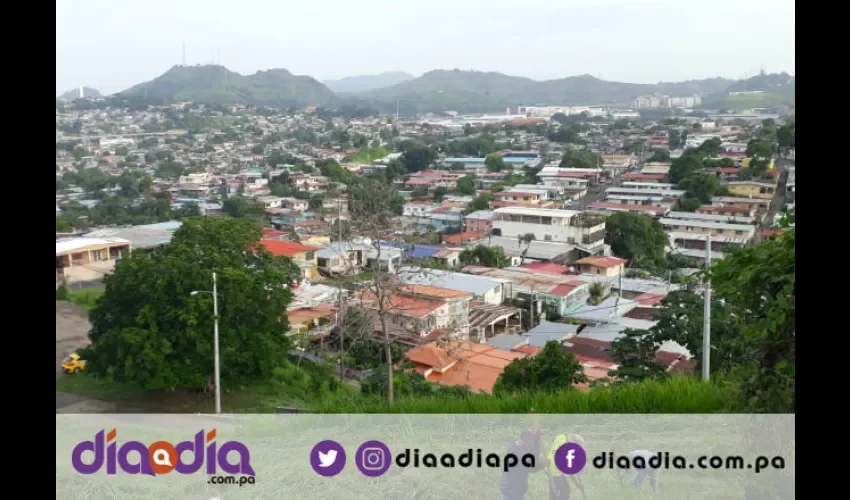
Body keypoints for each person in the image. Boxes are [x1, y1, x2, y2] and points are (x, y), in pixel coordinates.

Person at [499, 428, 546, 500]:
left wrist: (536, 439)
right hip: (510, 494)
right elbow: (531, 467)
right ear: (525, 442)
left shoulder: (520, 447)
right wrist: (541, 464)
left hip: (517, 493)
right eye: (530, 444)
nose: (531, 448)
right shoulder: (514, 454)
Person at [547, 434, 587, 500]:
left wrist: (577, 484)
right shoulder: (562, 438)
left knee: (560, 491)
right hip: (552, 469)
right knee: (565, 490)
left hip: (557, 472)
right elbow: (554, 452)